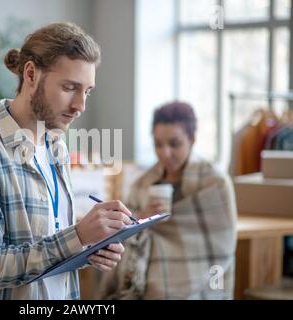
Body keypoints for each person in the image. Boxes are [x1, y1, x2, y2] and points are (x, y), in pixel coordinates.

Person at [0, 22, 133, 300]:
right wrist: (76, 236)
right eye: (69, 87)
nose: (80, 105)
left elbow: (45, 242)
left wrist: (89, 246)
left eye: (87, 91)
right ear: (31, 74)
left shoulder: (56, 147)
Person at [99, 102, 237, 299]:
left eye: (174, 144)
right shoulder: (142, 184)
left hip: (201, 284)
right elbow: (122, 235)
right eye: (158, 144)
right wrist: (140, 220)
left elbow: (221, 247)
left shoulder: (215, 183)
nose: (165, 153)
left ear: (192, 139)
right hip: (149, 280)